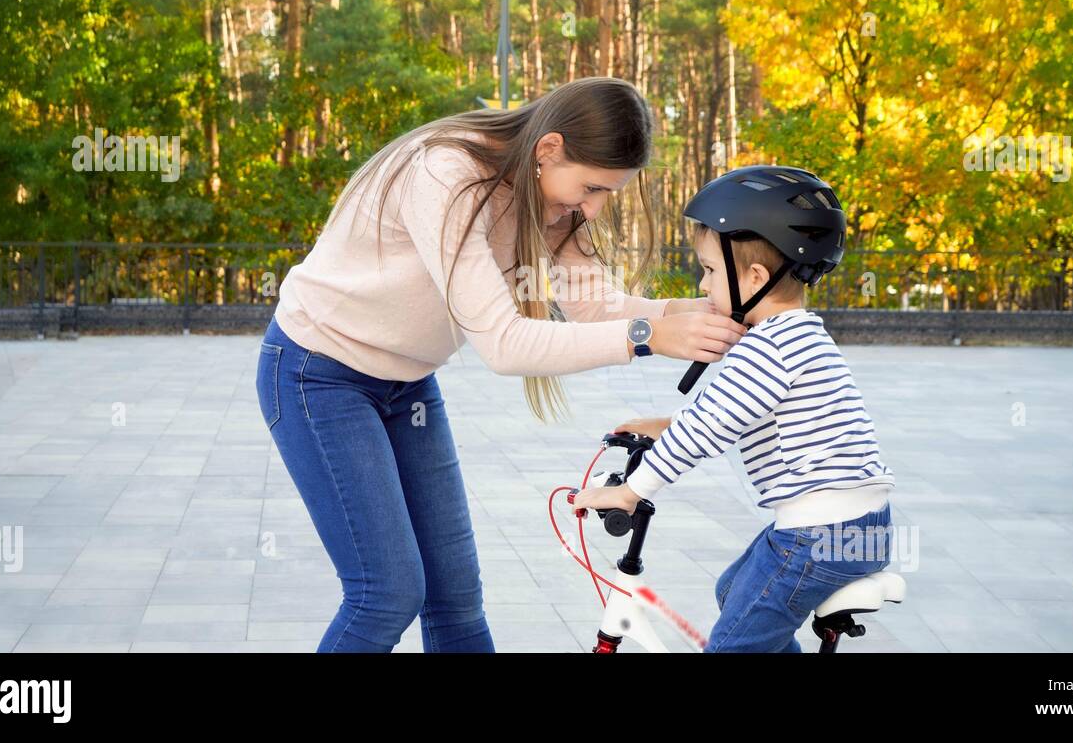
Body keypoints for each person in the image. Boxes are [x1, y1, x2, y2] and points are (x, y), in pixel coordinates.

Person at [255, 77, 748, 652]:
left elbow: (596, 307)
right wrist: (649, 335)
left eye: (608, 193)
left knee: (456, 601)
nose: (593, 208)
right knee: (385, 593)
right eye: (590, 187)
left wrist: (702, 312)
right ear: (548, 150)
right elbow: (504, 344)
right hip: (319, 374)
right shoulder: (447, 175)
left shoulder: (555, 202)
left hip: (406, 385)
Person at [569, 165, 896, 653]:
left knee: (732, 646)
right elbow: (730, 413)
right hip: (856, 525)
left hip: (817, 534)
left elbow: (707, 431)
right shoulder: (800, 332)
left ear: (756, 277)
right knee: (732, 594)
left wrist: (630, 492)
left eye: (709, 271)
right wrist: (668, 425)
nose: (702, 286)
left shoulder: (768, 347)